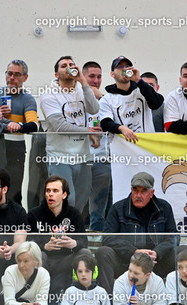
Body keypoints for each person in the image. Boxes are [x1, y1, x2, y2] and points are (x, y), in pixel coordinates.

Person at [96, 172, 179, 296]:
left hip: (156, 263)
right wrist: (134, 252)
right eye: (135, 190)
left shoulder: (164, 207)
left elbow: (174, 237)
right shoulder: (118, 208)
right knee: (103, 252)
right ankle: (107, 301)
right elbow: (108, 238)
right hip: (127, 264)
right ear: (131, 189)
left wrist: (157, 252)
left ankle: (178, 302)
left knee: (183, 251)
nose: (138, 195)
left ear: (152, 193)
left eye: (143, 191)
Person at [40, 55, 99, 210]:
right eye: (63, 65)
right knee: (66, 200)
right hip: (60, 157)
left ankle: (71, 225)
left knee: (82, 198)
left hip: (83, 156)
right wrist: (88, 132)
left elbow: (94, 109)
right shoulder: (48, 95)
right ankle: (59, 226)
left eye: (71, 64)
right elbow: (60, 126)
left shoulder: (82, 89)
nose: (68, 67)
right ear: (56, 74)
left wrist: (84, 83)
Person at [27, 176, 89, 300]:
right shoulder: (34, 214)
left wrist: (74, 243)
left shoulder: (74, 214)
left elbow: (84, 241)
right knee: (38, 254)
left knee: (84, 253)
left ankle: (85, 296)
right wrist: (44, 246)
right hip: (44, 259)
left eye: (55, 191)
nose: (50, 194)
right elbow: (27, 243)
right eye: (48, 191)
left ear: (64, 195)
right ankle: (36, 298)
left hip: (65, 260)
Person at [0, 59, 39, 204]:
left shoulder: (27, 99)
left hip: (15, 149)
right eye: (9, 73)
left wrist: (18, 126)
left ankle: (14, 218)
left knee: (13, 192)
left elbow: (34, 125)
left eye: (17, 74)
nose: (12, 78)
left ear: (25, 77)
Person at [99, 56, 164, 144]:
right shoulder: (107, 99)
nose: (124, 69)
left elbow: (157, 103)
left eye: (127, 66)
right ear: (112, 74)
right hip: (124, 147)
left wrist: (138, 80)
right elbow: (105, 123)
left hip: (147, 145)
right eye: (120, 67)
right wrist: (121, 128)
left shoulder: (141, 90)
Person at [81, 61, 111, 232]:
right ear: (83, 77)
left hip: (101, 159)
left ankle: (96, 235)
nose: (96, 80)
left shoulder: (106, 100)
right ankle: (74, 236)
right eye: (91, 76)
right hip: (79, 158)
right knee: (76, 202)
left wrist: (102, 97)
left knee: (99, 207)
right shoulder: (75, 98)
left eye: (99, 77)